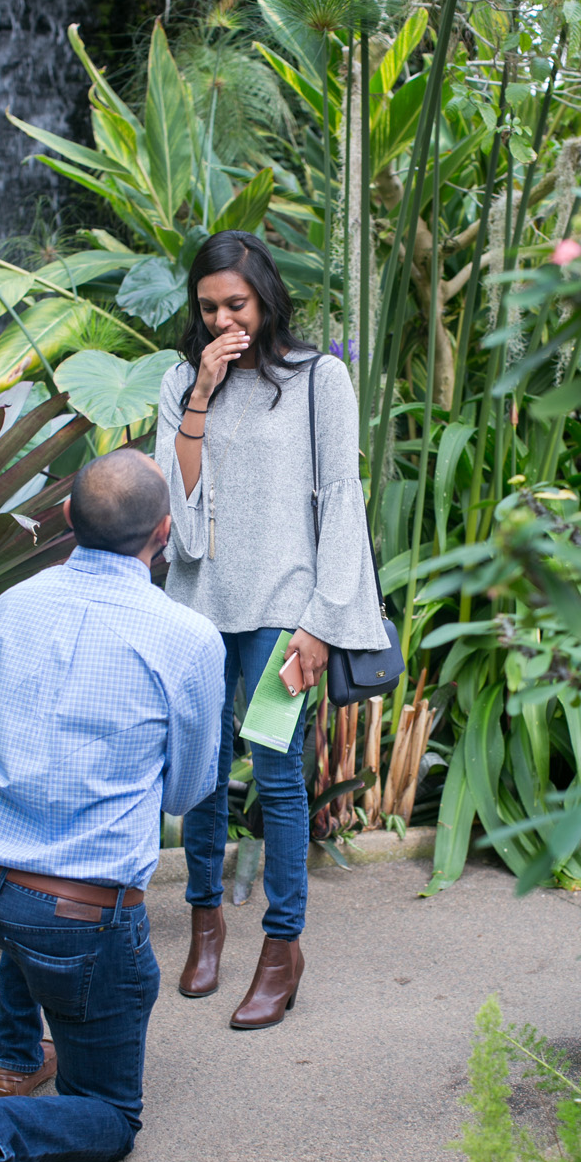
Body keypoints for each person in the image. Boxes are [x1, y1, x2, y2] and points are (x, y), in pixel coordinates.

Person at [0, 450, 225, 1162]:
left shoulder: (11, 606)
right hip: (76, 916)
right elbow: (187, 794)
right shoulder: (187, 638)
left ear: (64, 523)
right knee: (112, 1113)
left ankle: (15, 1056)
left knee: (34, 922)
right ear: (163, 533)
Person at [155, 229, 388, 1031]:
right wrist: (200, 397)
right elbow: (176, 511)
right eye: (209, 307)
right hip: (197, 612)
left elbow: (341, 498)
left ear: (266, 297)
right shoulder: (181, 378)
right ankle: (206, 924)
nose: (223, 320)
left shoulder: (320, 378)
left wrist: (323, 619)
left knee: (279, 778)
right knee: (203, 775)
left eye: (237, 305)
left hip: (283, 610)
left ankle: (282, 948)